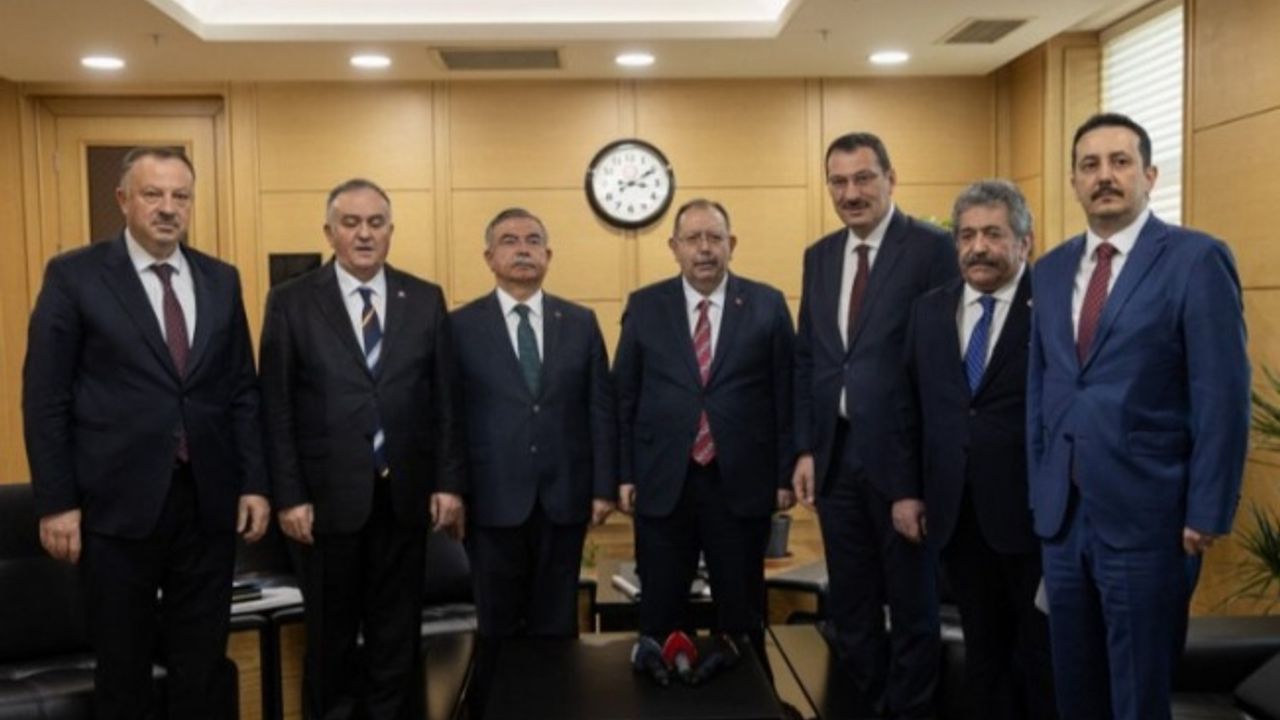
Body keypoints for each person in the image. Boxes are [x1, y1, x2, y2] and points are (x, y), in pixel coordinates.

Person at [22, 146, 270, 719]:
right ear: (123, 200)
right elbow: (45, 397)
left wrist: (255, 482)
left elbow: (241, 389)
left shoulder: (220, 279)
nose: (168, 207)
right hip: (115, 506)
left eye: (180, 196)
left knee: (202, 666)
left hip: (206, 502)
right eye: (153, 194)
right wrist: (56, 502)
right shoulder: (75, 276)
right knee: (123, 667)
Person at [1027, 112, 1249, 720]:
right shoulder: (1050, 271)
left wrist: (1207, 509)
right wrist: (1040, 492)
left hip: (1151, 518)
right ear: (1074, 182)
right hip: (1064, 520)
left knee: (1138, 694)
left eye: (1120, 162)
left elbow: (1222, 395)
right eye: (1090, 165)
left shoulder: (1195, 260)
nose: (1105, 176)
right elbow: (1042, 392)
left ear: (1149, 176)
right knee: (1075, 689)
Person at [259, 178, 466, 719]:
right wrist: (289, 496)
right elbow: (275, 408)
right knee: (330, 640)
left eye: (376, 223)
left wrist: (448, 483)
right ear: (330, 232)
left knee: (396, 637)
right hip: (324, 505)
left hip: (404, 499)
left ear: (391, 231)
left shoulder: (424, 298)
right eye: (351, 223)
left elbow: (445, 401)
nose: (364, 234)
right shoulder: (292, 302)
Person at [792, 132, 957, 718]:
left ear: (891, 178)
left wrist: (917, 482)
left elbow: (941, 371)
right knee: (851, 606)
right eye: (838, 182)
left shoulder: (934, 249)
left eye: (863, 178)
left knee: (913, 607)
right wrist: (807, 449)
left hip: (901, 465)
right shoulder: (820, 255)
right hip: (836, 459)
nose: (851, 193)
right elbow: (810, 358)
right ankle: (864, 707)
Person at [614, 198, 794, 668]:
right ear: (674, 247)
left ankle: (747, 694)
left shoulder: (767, 303)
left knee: (741, 612)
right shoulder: (645, 306)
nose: (705, 248)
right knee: (660, 612)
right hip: (662, 481)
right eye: (692, 238)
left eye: (715, 237)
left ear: (731, 244)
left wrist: (784, 475)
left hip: (741, 481)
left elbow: (787, 395)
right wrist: (624, 473)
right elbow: (624, 397)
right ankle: (663, 691)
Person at [450, 208, 616, 710]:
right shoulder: (458, 326)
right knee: (497, 627)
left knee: (556, 624)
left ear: (548, 254)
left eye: (532, 240)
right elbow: (447, 417)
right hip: (491, 502)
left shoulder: (580, 322)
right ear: (489, 257)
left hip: (564, 500)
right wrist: (452, 488)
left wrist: (604, 486)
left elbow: (600, 408)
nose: (522, 249)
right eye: (509, 240)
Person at [905, 180, 1055, 719]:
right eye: (967, 236)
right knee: (982, 658)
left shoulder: (1053, 306)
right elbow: (911, 407)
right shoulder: (929, 311)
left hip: (1035, 518)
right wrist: (908, 492)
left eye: (993, 234)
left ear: (1024, 242)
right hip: (957, 516)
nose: (978, 247)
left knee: (1042, 660)